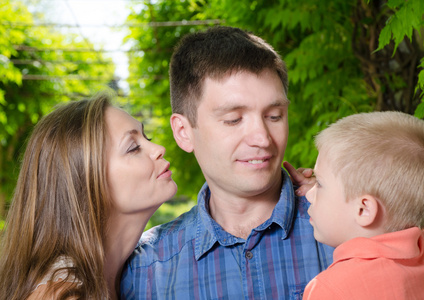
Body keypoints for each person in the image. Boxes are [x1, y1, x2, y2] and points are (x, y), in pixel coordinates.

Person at [120, 26, 333, 299]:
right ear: (184, 132)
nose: (262, 138)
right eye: (233, 119)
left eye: (275, 116)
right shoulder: (145, 270)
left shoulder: (349, 228)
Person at [0, 92, 177, 300]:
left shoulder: (123, 276)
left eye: (147, 138)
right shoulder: (62, 293)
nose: (159, 149)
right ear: (86, 182)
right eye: (133, 148)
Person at [302, 111, 424, 299]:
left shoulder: (330, 289)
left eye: (319, 184)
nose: (309, 194)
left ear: (364, 210)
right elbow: (410, 208)